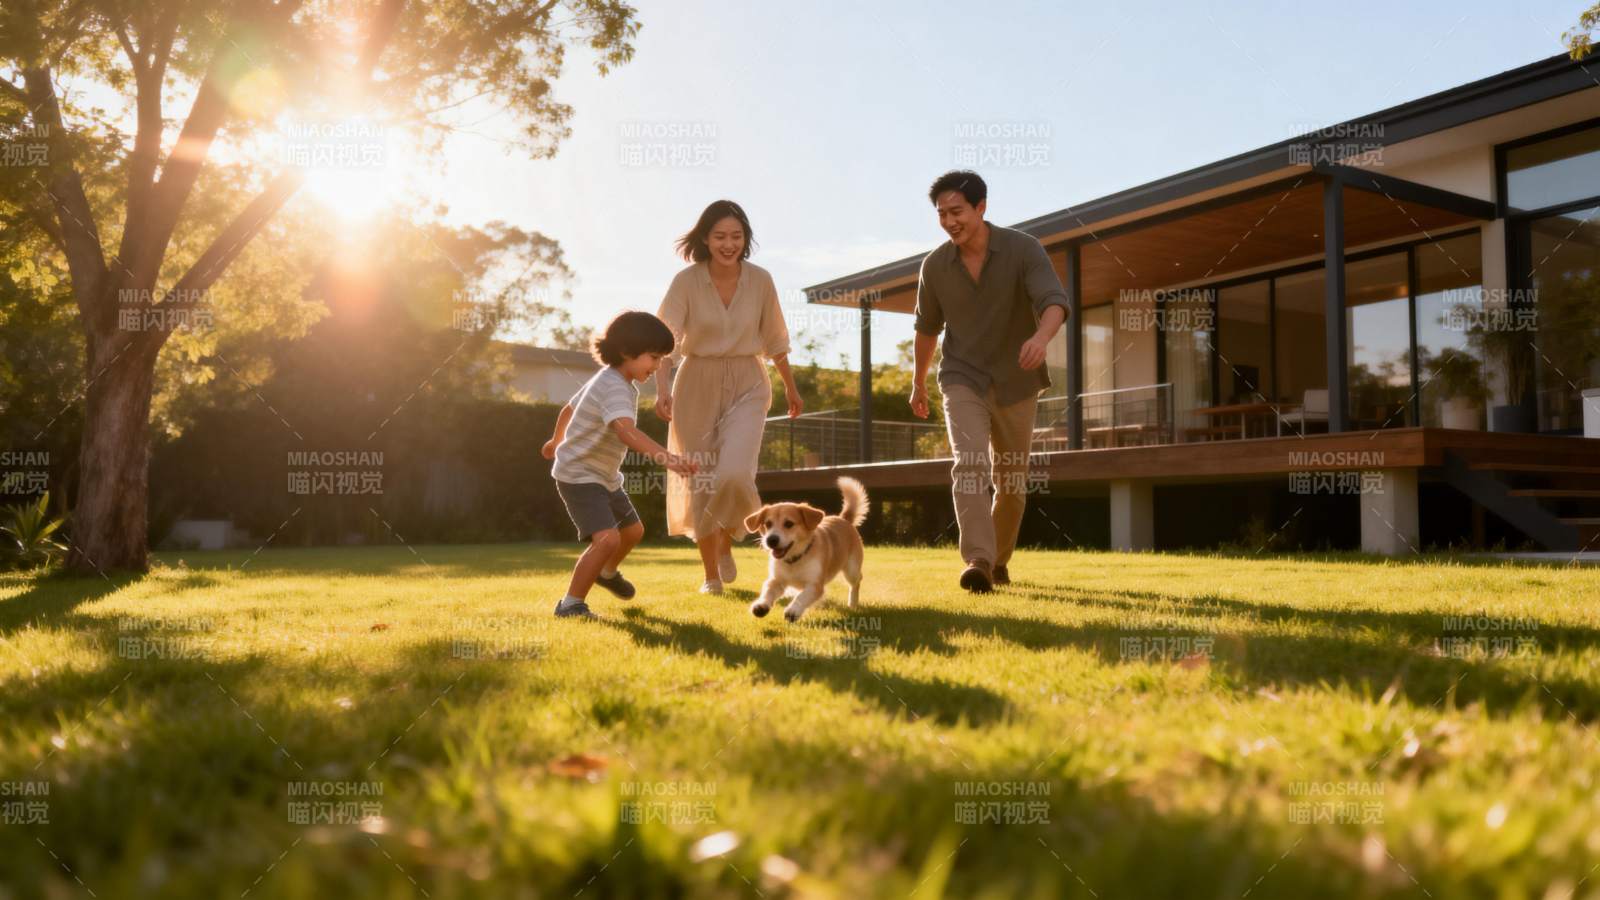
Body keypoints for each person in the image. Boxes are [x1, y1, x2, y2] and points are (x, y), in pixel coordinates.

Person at [909, 170, 1069, 593]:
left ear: (981, 207)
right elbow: (926, 329)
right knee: (970, 462)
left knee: (1012, 484)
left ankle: (997, 561)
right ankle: (978, 558)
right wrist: (918, 382)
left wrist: (1040, 337)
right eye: (941, 214)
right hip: (962, 377)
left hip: (1017, 379)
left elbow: (1054, 302)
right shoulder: (935, 266)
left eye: (956, 211)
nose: (949, 221)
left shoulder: (1022, 249)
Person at [655, 200, 802, 595]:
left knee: (736, 473)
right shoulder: (686, 282)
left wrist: (790, 386)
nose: (728, 243)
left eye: (736, 236)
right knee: (701, 480)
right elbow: (665, 342)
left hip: (748, 381)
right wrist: (662, 389)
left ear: (746, 239)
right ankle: (711, 575)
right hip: (695, 382)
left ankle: (726, 537)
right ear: (705, 238)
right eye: (720, 236)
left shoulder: (761, 280)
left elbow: (775, 339)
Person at [543, 311, 697, 618]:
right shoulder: (614, 386)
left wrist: (555, 440)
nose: (657, 367)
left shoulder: (611, 381)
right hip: (579, 475)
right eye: (653, 358)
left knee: (633, 531)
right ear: (627, 352)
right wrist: (670, 460)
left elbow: (569, 409)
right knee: (607, 538)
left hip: (604, 476)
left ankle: (606, 573)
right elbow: (626, 431)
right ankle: (570, 604)